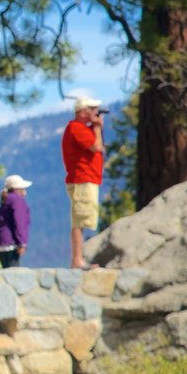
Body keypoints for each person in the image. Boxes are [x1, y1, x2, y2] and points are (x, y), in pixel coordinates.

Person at [62, 96, 105, 269]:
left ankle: (78, 259)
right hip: (82, 178)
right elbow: (96, 147)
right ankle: (77, 260)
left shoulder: (84, 129)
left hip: (89, 178)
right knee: (80, 220)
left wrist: (96, 128)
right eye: (92, 108)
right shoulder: (76, 128)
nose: (96, 112)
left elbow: (100, 147)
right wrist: (96, 127)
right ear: (82, 112)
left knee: (84, 218)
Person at [0, 174, 32, 269]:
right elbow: (19, 222)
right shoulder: (17, 200)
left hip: (1, 244)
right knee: (14, 275)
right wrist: (22, 242)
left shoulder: (7, 200)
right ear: (18, 188)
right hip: (11, 244)